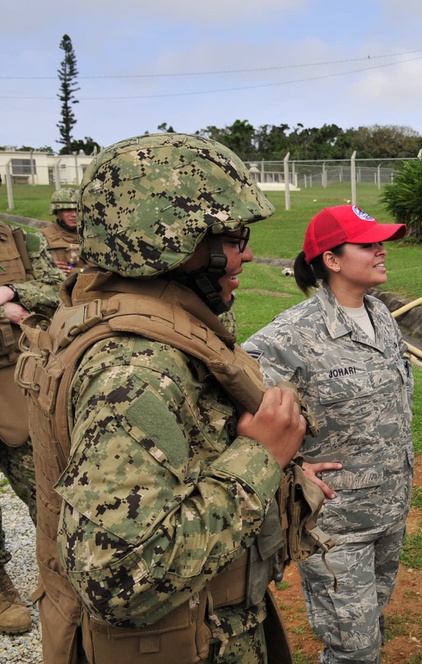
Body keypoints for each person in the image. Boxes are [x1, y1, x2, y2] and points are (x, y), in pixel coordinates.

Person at [17, 133, 335, 663]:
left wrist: (275, 469)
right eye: (234, 237)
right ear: (172, 243)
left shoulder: (147, 318)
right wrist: (261, 460)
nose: (248, 253)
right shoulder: (135, 372)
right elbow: (118, 580)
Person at [244, 204, 414, 664]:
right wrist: (288, 467)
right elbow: (232, 402)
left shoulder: (380, 315)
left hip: (389, 511)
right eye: (368, 244)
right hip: (336, 527)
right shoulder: (292, 334)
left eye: (380, 242)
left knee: (370, 628)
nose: (381, 250)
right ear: (332, 260)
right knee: (352, 651)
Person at [0, 219, 62, 634]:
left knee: (44, 489)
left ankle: (59, 575)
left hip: (14, 381)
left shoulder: (23, 240)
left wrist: (13, 294)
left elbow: (60, 292)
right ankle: (2, 592)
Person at [42, 187, 85, 276]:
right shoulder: (43, 236)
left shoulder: (94, 235)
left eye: (77, 210)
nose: (74, 215)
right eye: (68, 210)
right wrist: (49, 267)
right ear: (58, 213)